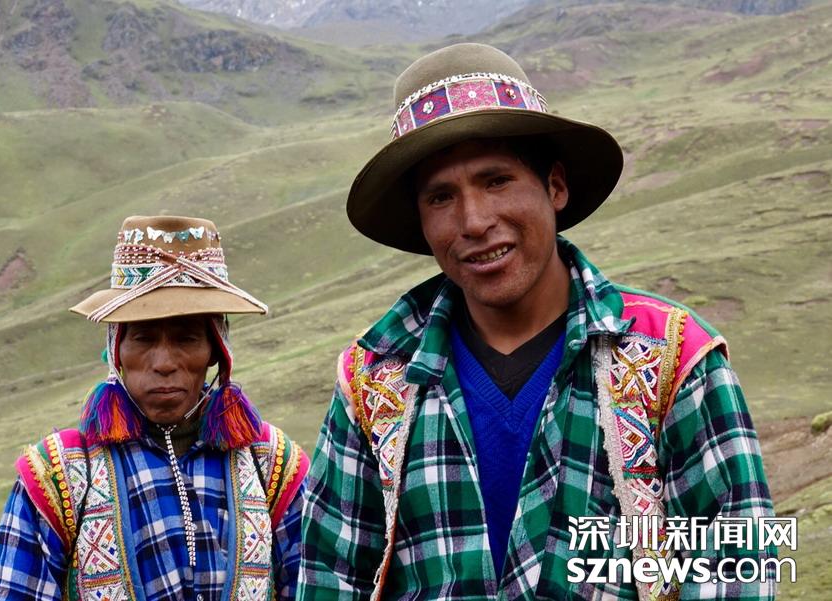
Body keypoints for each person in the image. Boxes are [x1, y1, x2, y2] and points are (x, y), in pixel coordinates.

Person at [298, 43, 775, 600]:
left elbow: (735, 569)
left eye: (496, 180)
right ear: (421, 222)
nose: (475, 221)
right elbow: (329, 577)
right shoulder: (374, 378)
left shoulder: (672, 357)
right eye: (441, 197)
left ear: (555, 186)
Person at [0, 215, 309, 601]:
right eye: (142, 338)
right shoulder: (59, 477)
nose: (164, 363)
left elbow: (314, 587)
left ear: (216, 350)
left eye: (187, 338)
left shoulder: (271, 464)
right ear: (116, 350)